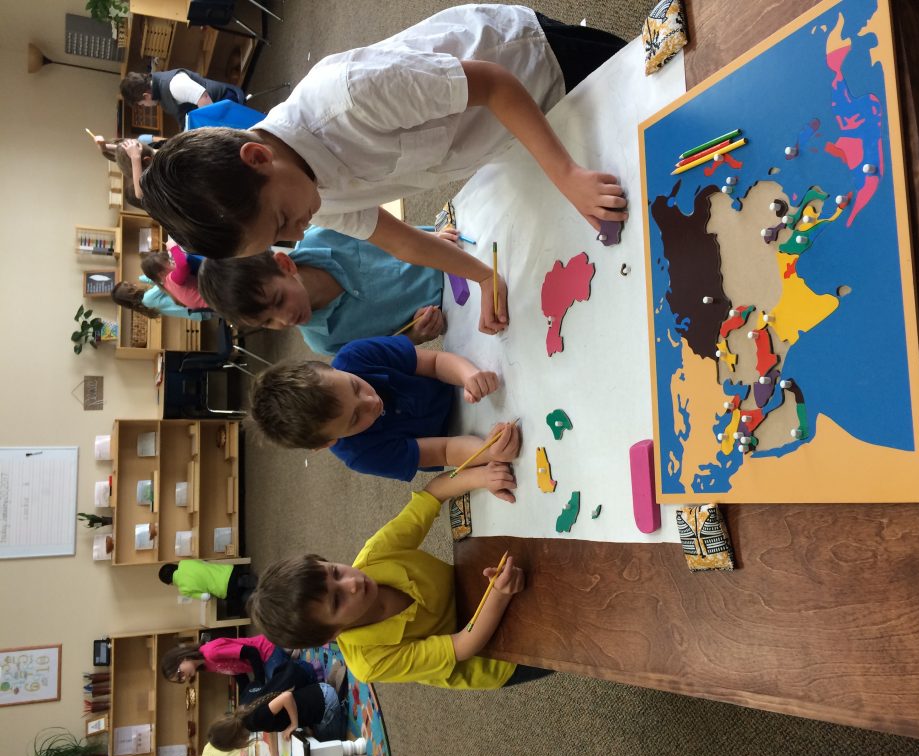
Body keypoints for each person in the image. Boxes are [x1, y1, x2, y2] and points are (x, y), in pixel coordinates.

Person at [140, 5, 629, 333]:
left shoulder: (347, 98)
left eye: (282, 221)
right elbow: (399, 241)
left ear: (259, 157)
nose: (298, 233)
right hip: (493, 133)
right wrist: (483, 277)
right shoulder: (305, 197)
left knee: (638, 83)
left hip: (532, 63)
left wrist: (566, 176)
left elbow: (496, 86)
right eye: (280, 239)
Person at [248, 465, 552, 689]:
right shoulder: (369, 663)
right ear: (331, 636)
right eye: (337, 600)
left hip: (479, 584)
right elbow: (463, 645)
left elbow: (432, 495)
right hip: (494, 656)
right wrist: (498, 595)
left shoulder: (375, 554)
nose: (352, 583)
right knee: (561, 643)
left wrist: (482, 477)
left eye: (335, 572)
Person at [248, 335, 521, 482]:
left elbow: (435, 362)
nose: (371, 401)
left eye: (355, 386)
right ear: (329, 442)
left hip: (452, 387)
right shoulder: (361, 455)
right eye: (355, 418)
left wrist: (469, 376)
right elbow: (445, 450)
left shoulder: (355, 355)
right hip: (452, 438)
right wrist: (489, 451)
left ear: (332, 368)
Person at [197, 226, 456, 354]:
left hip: (450, 249)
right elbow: (390, 347)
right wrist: (415, 335)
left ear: (285, 264)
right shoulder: (323, 342)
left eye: (279, 300)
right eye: (267, 322)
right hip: (454, 310)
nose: (284, 320)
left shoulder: (324, 234)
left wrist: (429, 239)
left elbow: (392, 232)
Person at [206, 662, 348, 756]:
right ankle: (331, 685)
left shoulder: (254, 720)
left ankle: (337, 693)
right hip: (316, 690)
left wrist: (293, 724)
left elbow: (286, 697)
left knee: (332, 746)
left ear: (234, 742)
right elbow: (269, 722)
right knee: (312, 733)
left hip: (324, 703)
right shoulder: (244, 712)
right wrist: (274, 752)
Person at [159, 635, 314, 693]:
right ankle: (290, 657)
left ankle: (306, 666)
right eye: (180, 680)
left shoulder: (211, 652)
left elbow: (252, 652)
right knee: (274, 689)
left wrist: (259, 683)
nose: (184, 678)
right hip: (262, 661)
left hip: (266, 651)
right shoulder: (206, 665)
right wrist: (247, 695)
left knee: (282, 686)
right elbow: (238, 672)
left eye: (179, 674)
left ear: (181, 658)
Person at [120, 69, 246, 126]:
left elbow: (204, 98)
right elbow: (183, 117)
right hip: (214, 108)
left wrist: (212, 134)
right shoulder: (161, 98)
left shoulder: (174, 85)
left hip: (225, 100)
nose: (146, 107)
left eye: (142, 104)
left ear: (146, 95)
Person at [157, 560, 257, 614]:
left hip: (225, 589)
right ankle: (249, 581)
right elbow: (203, 563)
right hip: (230, 571)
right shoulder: (184, 562)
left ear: (170, 583)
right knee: (241, 580)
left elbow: (206, 596)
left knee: (239, 598)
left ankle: (254, 595)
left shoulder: (183, 590)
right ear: (173, 565)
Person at [141, 248, 208, 312]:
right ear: (162, 274)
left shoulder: (167, 285)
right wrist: (173, 247)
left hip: (209, 301)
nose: (173, 262)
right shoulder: (171, 279)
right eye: (170, 263)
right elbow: (183, 265)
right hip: (210, 297)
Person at [111, 279, 211, 320]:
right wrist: (149, 277)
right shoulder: (147, 299)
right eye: (128, 285)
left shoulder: (145, 301)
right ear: (129, 292)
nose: (132, 283)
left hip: (196, 311)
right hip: (198, 307)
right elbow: (165, 281)